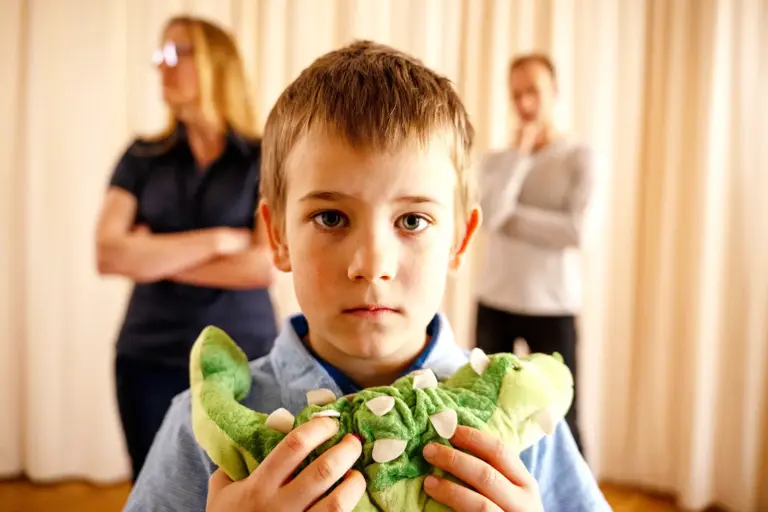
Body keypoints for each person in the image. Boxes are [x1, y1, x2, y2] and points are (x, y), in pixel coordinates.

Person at [122, 41, 611, 511]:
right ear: (278, 236)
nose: (372, 265)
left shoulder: (526, 418)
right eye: (331, 218)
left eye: (412, 221)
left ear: (459, 240)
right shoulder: (200, 427)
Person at [95, 16, 277, 482]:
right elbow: (109, 253)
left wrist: (152, 257)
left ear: (217, 63)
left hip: (243, 357)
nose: (162, 65)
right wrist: (218, 241)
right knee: (154, 489)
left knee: (240, 487)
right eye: (160, 54)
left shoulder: (264, 157)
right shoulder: (142, 156)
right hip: (148, 355)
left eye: (177, 53)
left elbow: (263, 265)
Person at [474, 53, 596, 455]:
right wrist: (520, 155)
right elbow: (490, 215)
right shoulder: (498, 161)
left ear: (554, 92)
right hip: (495, 300)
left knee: (563, 417)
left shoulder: (579, 156)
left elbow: (577, 231)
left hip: (553, 306)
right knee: (486, 411)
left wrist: (514, 219)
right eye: (516, 94)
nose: (524, 103)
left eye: (533, 92)